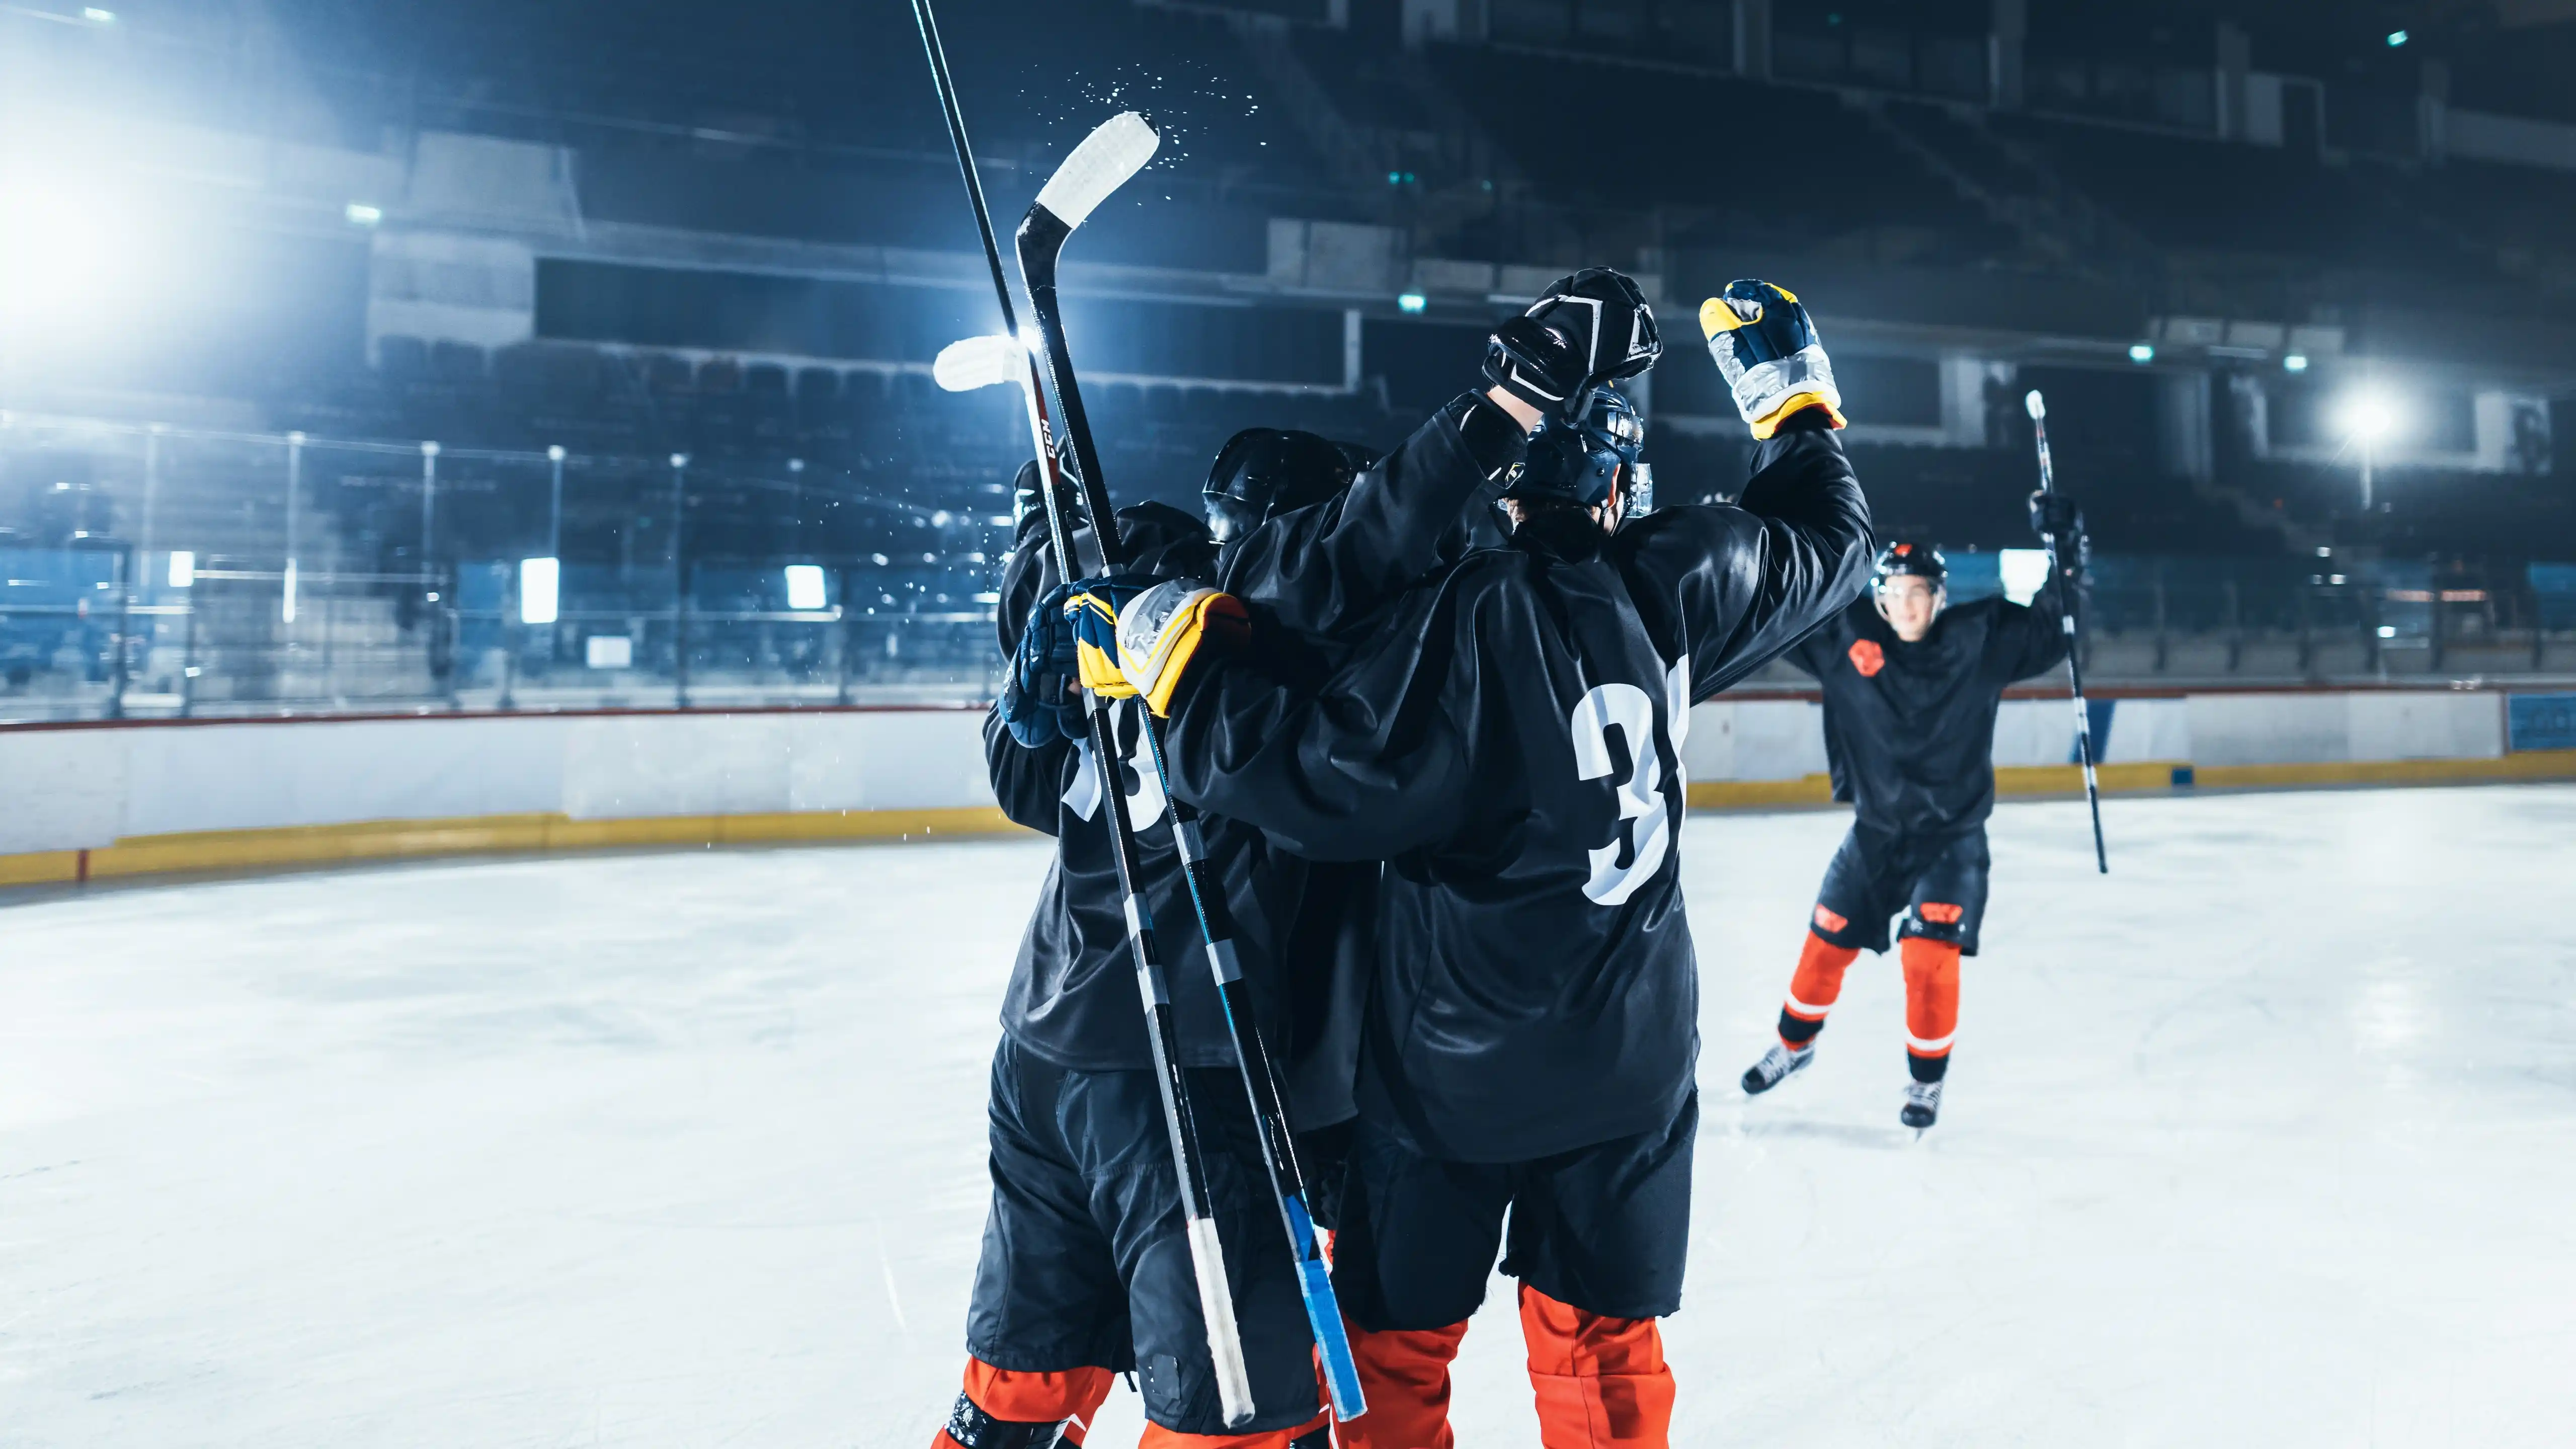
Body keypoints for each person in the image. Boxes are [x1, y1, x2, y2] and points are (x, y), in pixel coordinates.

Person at [1068, 278, 1873, 1449]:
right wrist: (1791, 401)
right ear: (1614, 478)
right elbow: (1833, 541)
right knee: (1603, 1353)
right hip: (1634, 1065)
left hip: (1451, 1084)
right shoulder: (1681, 576)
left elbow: (1315, 793)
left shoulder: (1453, 624)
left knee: (1394, 1355)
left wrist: (1178, 673)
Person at [934, 272, 1658, 1449]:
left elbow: (1026, 772)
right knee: (1244, 1417)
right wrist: (1509, 406)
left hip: (1046, 1054)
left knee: (1017, 1394)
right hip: (1188, 1074)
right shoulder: (1278, 644)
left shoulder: (1115, 612)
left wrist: (1041, 514)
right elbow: (1370, 566)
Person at [1737, 492, 2084, 1132]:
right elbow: (1770, 610)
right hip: (1875, 836)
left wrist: (2065, 549)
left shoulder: (1979, 641)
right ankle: (1793, 1046)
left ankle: (1925, 1085)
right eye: (1893, 593)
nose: (1906, 605)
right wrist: (1740, 540)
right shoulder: (1846, 641)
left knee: (1927, 961)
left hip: (1951, 839)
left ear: (1940, 596)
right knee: (1822, 950)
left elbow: (2051, 627)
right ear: (1877, 600)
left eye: (1919, 591)